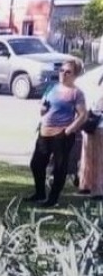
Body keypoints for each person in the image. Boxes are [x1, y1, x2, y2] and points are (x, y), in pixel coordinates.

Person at [26, 59, 87, 208]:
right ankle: (40, 193)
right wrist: (42, 109)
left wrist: (68, 130)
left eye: (68, 72)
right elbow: (43, 107)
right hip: (44, 131)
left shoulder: (76, 93)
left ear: (75, 75)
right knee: (36, 164)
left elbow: (83, 115)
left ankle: (53, 199)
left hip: (62, 134)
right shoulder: (52, 88)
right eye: (61, 71)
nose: (63, 74)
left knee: (59, 167)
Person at [79, 77, 103, 200]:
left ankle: (86, 184)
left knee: (88, 157)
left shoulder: (94, 88)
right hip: (99, 127)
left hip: (90, 126)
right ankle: (98, 189)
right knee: (99, 160)